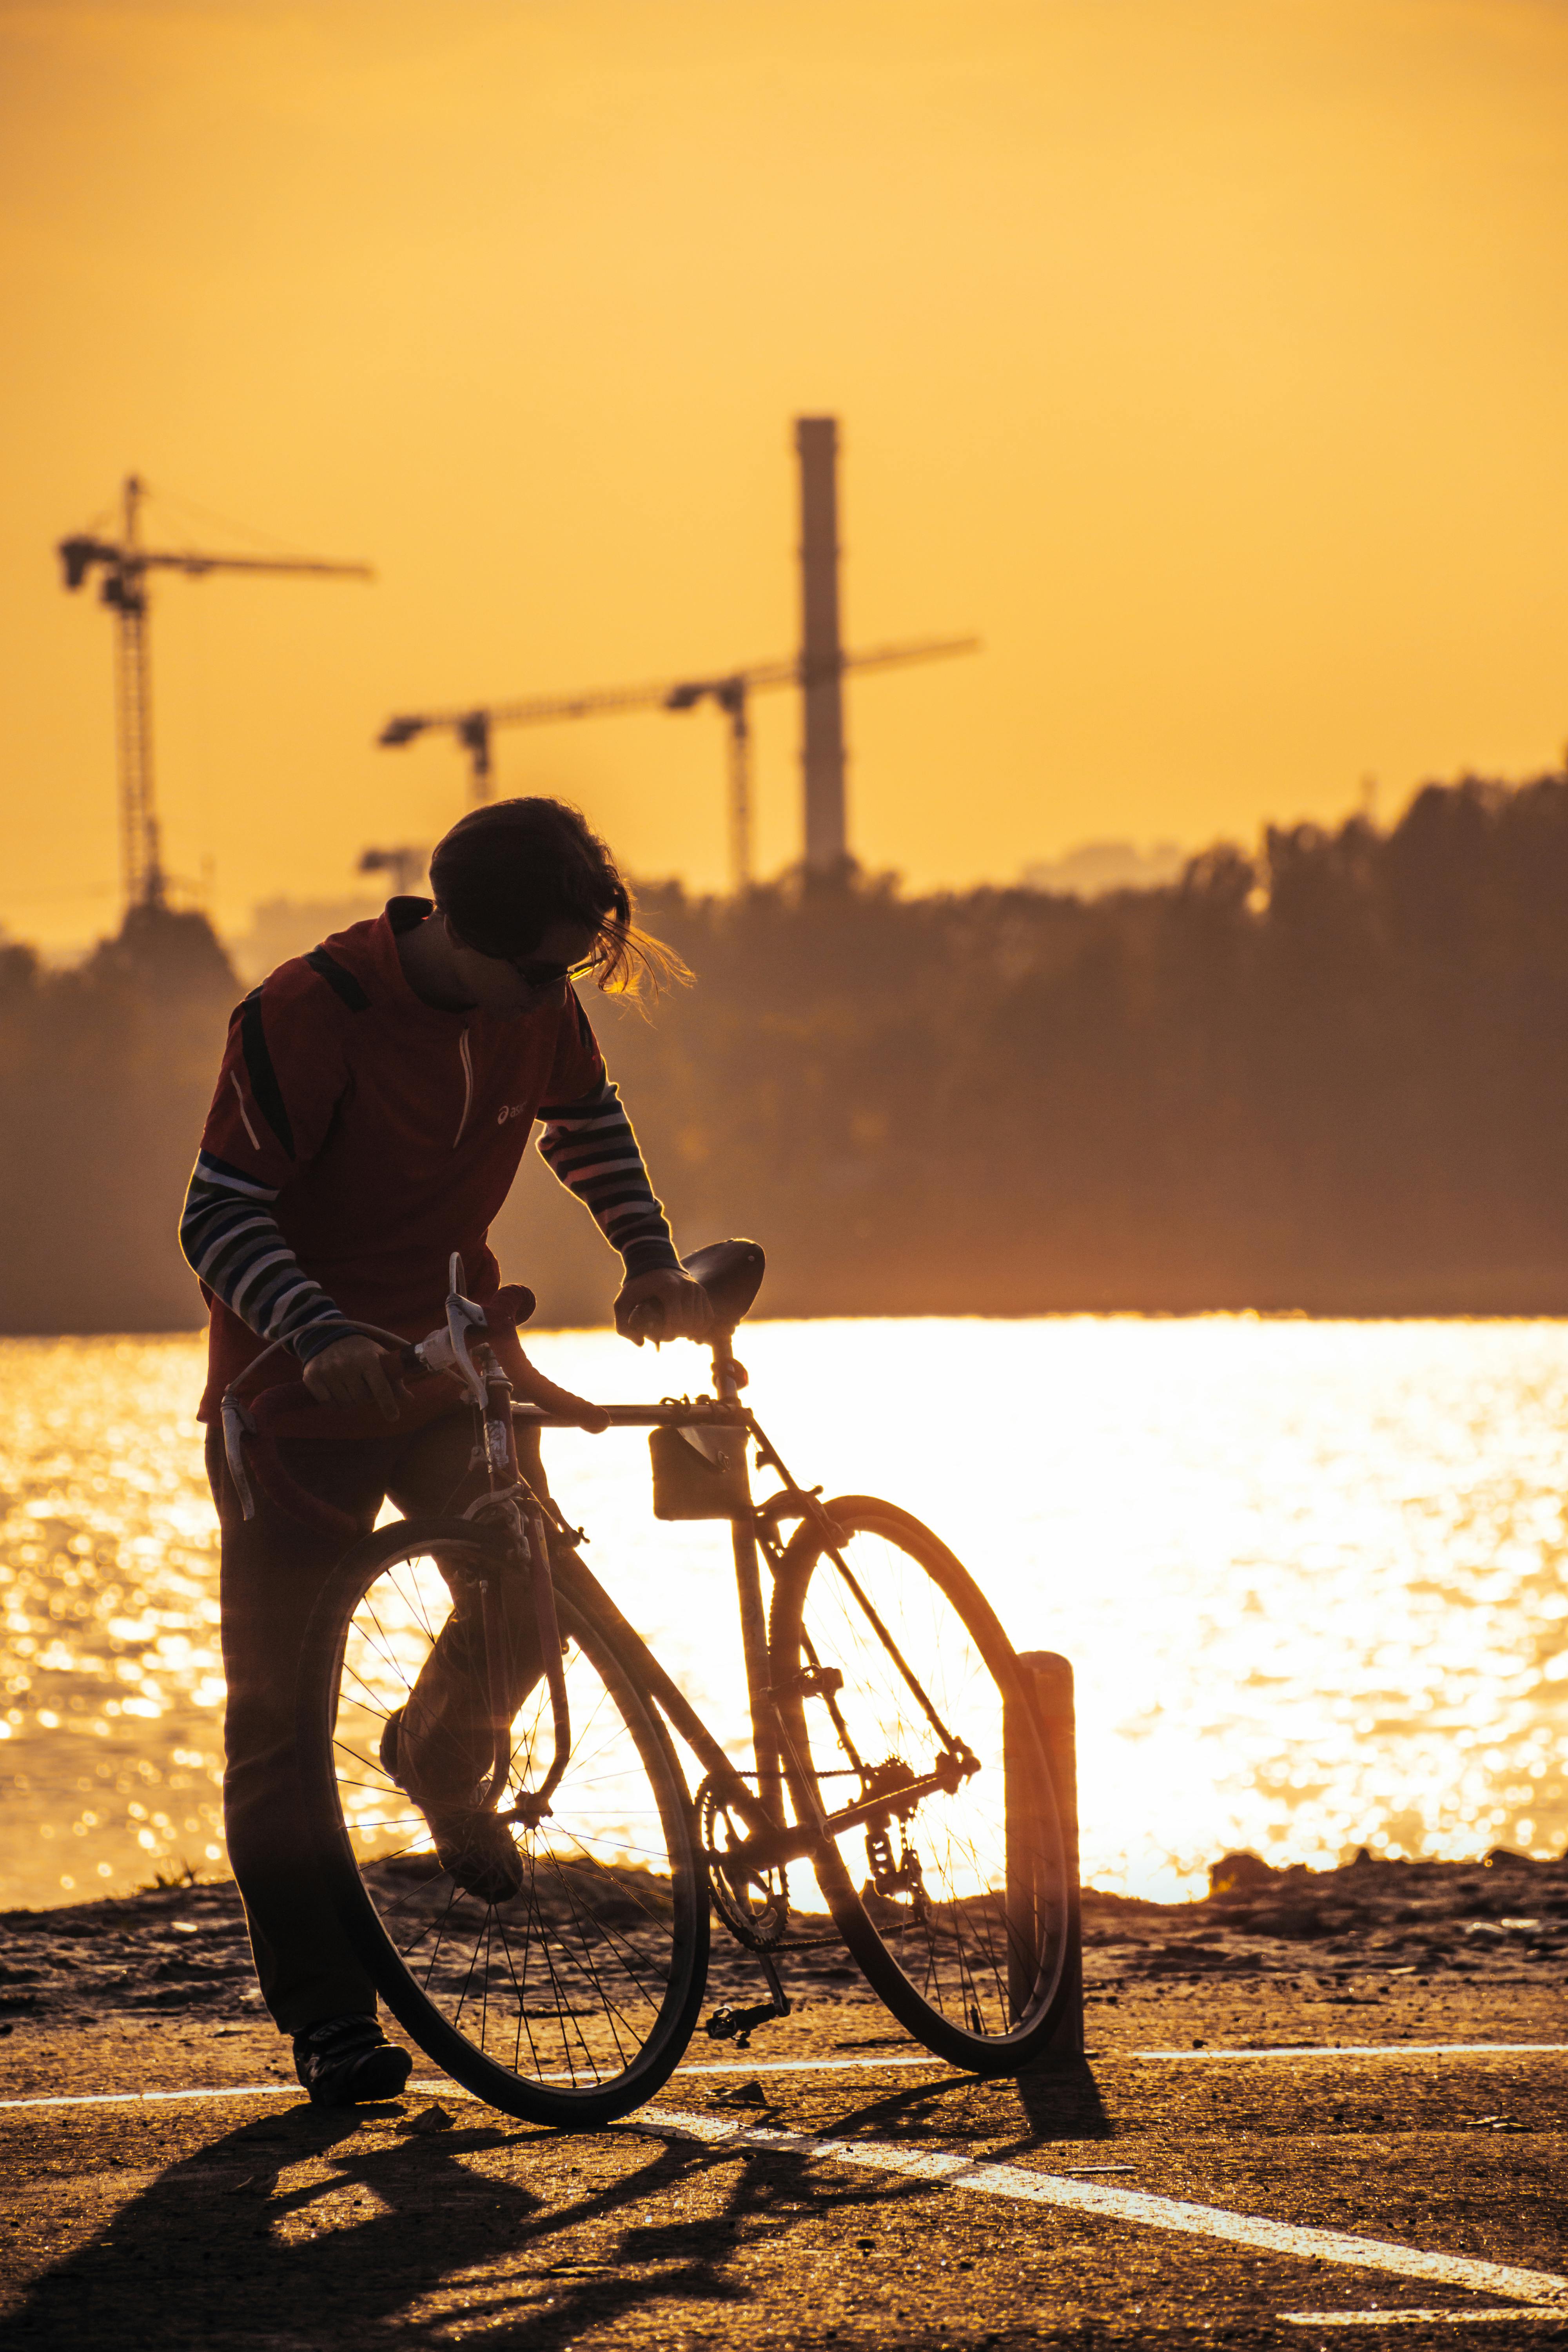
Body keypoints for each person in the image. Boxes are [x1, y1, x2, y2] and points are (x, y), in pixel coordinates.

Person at [180, 797, 711, 2105]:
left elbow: (585, 1122)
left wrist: (646, 1258)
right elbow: (218, 1213)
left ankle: (434, 1750)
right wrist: (314, 1331)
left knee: (532, 1603)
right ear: (457, 934)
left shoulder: (536, 1001)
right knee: (282, 1726)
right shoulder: (311, 1015)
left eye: (575, 967)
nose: (558, 990)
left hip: (449, 1365)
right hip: (295, 1396)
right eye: (540, 967)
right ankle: (332, 2025)